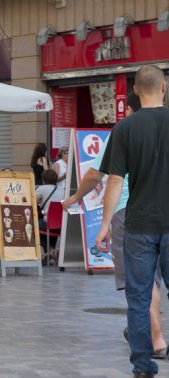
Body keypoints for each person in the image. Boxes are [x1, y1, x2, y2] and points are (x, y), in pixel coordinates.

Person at [63, 91, 167, 362]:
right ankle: (147, 332)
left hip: (129, 214)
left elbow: (100, 175)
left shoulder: (124, 132)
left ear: (131, 109)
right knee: (154, 279)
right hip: (161, 213)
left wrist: (76, 198)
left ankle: (155, 338)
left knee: (142, 281)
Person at [95, 65, 169, 378]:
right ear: (164, 87)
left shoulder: (124, 129)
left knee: (138, 297)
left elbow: (114, 181)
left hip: (138, 224)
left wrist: (104, 224)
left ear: (136, 91)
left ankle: (143, 366)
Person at [36, 169, 64, 265]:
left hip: (48, 224)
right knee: (50, 227)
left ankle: (49, 250)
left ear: (43, 179)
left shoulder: (42, 188)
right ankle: (52, 250)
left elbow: (32, 201)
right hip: (61, 225)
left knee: (34, 226)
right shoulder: (62, 189)